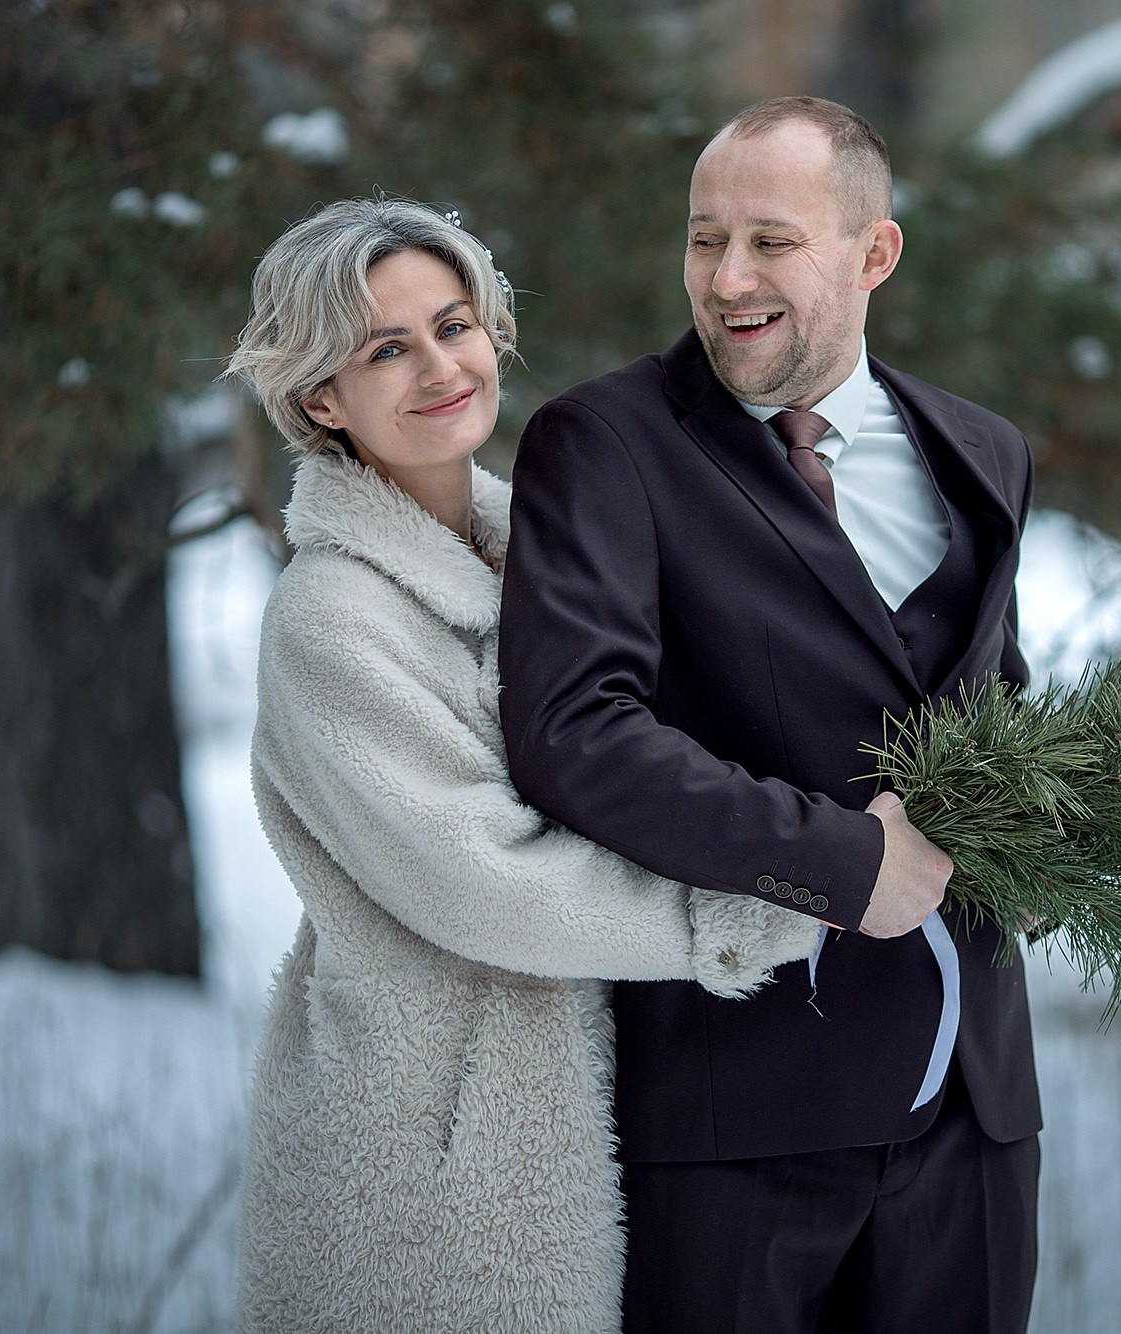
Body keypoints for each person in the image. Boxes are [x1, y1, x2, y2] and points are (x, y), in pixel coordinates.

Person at [224, 198, 817, 1334]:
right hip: (430, 1141)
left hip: (587, 1092)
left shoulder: (539, 559)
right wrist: (742, 910)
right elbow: (477, 878)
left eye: (452, 325)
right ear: (317, 396)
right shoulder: (330, 616)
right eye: (384, 348)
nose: (439, 366)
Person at [499, 97, 1042, 1331]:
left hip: (975, 1113)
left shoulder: (983, 452)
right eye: (702, 240)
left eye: (769, 241)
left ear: (873, 255)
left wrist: (1056, 837)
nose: (725, 277)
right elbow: (573, 730)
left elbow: (990, 701)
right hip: (735, 1120)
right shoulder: (604, 444)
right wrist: (845, 861)